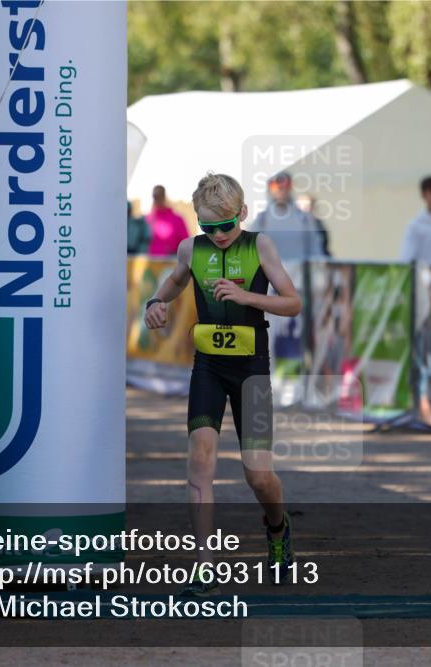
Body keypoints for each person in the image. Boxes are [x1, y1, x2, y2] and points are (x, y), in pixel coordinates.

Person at [143, 173, 301, 596]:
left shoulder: (260, 245)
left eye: (226, 226)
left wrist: (248, 296)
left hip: (252, 368)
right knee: (201, 458)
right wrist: (156, 303)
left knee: (258, 475)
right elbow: (176, 281)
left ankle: (277, 526)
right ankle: (204, 564)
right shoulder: (190, 249)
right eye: (207, 227)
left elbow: (293, 302)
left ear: (242, 214)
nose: (218, 235)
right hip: (209, 366)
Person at [250, 172, 327, 261]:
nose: (281, 189)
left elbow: (316, 251)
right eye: (275, 186)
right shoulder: (261, 220)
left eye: (286, 184)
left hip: (299, 273)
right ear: (269, 188)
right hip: (272, 274)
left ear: (290, 187)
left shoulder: (305, 218)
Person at [146, 185, 190, 257]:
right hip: (151, 264)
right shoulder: (148, 219)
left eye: (160, 196)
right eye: (155, 196)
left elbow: (186, 244)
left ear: (164, 196)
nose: (157, 199)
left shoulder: (177, 220)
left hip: (171, 263)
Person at [295, 193, 331, 258]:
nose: (305, 210)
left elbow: (324, 247)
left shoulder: (319, 226)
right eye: (301, 207)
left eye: (307, 206)